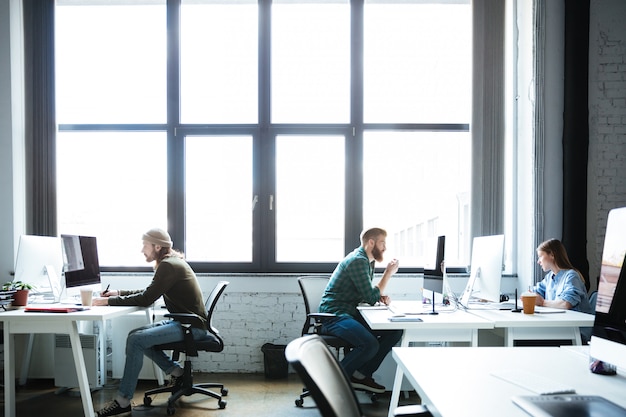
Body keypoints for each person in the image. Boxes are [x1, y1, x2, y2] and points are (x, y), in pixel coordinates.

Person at [93, 228, 210, 417]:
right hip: (187, 323)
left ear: (157, 246)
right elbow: (150, 292)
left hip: (191, 327)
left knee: (137, 340)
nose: (142, 250)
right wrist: (119, 293)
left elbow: (147, 298)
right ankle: (178, 373)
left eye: (144, 246)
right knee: (136, 337)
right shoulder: (171, 263)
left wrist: (107, 301)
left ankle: (123, 401)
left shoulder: (169, 266)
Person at [318, 227, 403, 394]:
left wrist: (378, 295)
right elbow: (370, 297)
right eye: (382, 243)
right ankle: (333, 382)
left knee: (394, 331)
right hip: (333, 316)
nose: (385, 248)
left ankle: (360, 374)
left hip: (348, 313)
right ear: (371, 243)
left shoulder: (366, 261)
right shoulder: (358, 260)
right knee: (368, 343)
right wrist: (387, 274)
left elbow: (366, 294)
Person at [534, 238, 593, 313]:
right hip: (559, 321)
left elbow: (566, 304)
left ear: (552, 255)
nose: (538, 261)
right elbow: (535, 292)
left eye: (540, 256)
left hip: (575, 323)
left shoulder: (571, 276)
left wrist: (542, 302)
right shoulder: (549, 277)